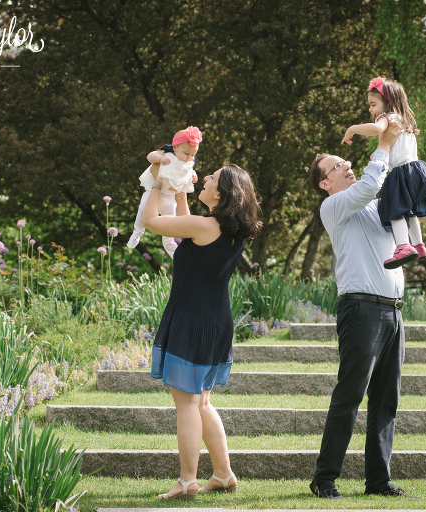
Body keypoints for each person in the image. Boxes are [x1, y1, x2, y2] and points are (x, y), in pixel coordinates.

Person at [307, 120, 417, 499]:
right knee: (351, 394)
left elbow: (397, 191)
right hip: (361, 311)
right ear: (325, 183)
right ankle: (324, 478)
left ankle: (378, 480)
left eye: (344, 162)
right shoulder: (333, 207)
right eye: (337, 166)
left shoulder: (374, 206)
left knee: (387, 399)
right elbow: (372, 180)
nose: (346, 166)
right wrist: (382, 144)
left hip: (393, 313)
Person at [143, 163, 262, 501]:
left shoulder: (205, 225)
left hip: (193, 318)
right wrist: (181, 195)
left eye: (211, 178)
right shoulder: (225, 229)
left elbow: (152, 222)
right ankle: (223, 474)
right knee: (202, 401)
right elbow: (188, 237)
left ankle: (186, 481)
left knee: (187, 403)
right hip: (214, 320)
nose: (205, 178)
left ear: (219, 194)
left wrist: (156, 182)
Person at [341, 76, 426, 269]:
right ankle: (419, 246)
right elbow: (399, 146)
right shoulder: (405, 118)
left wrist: (352, 129)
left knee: (396, 209)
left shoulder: (386, 117)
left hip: (401, 172)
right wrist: (379, 153)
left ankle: (403, 246)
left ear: (388, 102)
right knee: (411, 212)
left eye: (373, 105)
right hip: (416, 169)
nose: (371, 110)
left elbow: (376, 129)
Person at [128, 126, 202, 258]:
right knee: (142, 211)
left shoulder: (188, 162)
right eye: (186, 154)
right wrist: (159, 159)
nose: (189, 158)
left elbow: (189, 171)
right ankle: (137, 232)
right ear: (175, 147)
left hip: (170, 199)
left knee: (170, 227)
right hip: (153, 193)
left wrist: (194, 175)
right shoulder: (168, 152)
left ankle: (173, 251)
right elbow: (150, 156)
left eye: (193, 155)